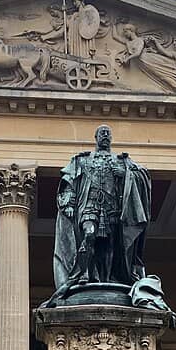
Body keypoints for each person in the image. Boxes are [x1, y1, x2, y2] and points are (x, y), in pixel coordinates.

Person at [51, 124, 151, 299]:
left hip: (111, 208)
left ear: (111, 139)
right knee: (89, 235)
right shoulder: (81, 160)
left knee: (109, 246)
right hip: (89, 206)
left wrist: (125, 174)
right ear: (95, 137)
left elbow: (142, 176)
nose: (105, 136)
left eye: (108, 134)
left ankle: (106, 279)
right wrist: (68, 202)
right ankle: (82, 273)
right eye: (102, 134)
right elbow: (69, 182)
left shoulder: (121, 161)